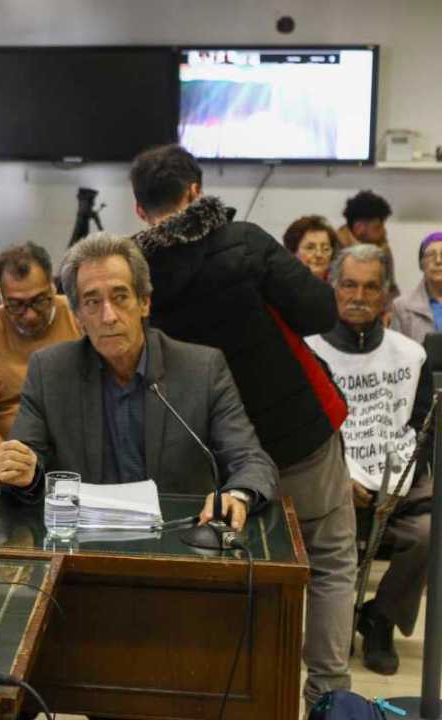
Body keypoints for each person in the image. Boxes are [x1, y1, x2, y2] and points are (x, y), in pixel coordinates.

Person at [129, 144, 355, 707]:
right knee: (328, 561)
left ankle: (232, 697)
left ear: (138, 210)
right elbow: (321, 312)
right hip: (295, 432)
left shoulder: (134, 275)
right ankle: (327, 696)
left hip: (203, 453)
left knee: (227, 573)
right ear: (195, 191)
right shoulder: (246, 242)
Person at [0, 233, 277, 528]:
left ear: (144, 302)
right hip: (85, 540)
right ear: (77, 316)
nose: (108, 316)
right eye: (92, 302)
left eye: (120, 297)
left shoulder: (202, 369)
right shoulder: (50, 372)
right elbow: (26, 464)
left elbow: (250, 459)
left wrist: (236, 495)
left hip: (178, 538)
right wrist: (24, 472)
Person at [305, 244, 432, 676]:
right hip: (328, 483)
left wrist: (397, 483)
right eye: (349, 285)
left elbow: (422, 429)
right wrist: (338, 477)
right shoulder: (309, 350)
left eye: (371, 287)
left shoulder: (410, 355)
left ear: (385, 295)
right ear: (333, 288)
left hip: (397, 483)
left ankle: (381, 618)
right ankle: (332, 627)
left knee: (428, 531)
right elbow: (300, 431)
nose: (359, 296)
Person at [0, 242, 81, 463]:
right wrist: (5, 460)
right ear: (0, 295)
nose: (30, 315)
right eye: (16, 305)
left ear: (53, 286)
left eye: (39, 301)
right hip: (8, 456)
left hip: (76, 453)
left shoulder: (79, 316)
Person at [337, 189, 399, 302]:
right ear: (359, 228)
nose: (384, 232)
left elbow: (391, 290)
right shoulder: (333, 249)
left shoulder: (383, 249)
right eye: (378, 227)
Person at [391, 231, 442, 344]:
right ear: (421, 264)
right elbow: (396, 350)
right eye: (431, 255)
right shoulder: (402, 306)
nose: (438, 261)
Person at [283, 214, 338, 280]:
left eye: (325, 249)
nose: (319, 254)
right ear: (292, 252)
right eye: (310, 248)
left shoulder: (339, 284)